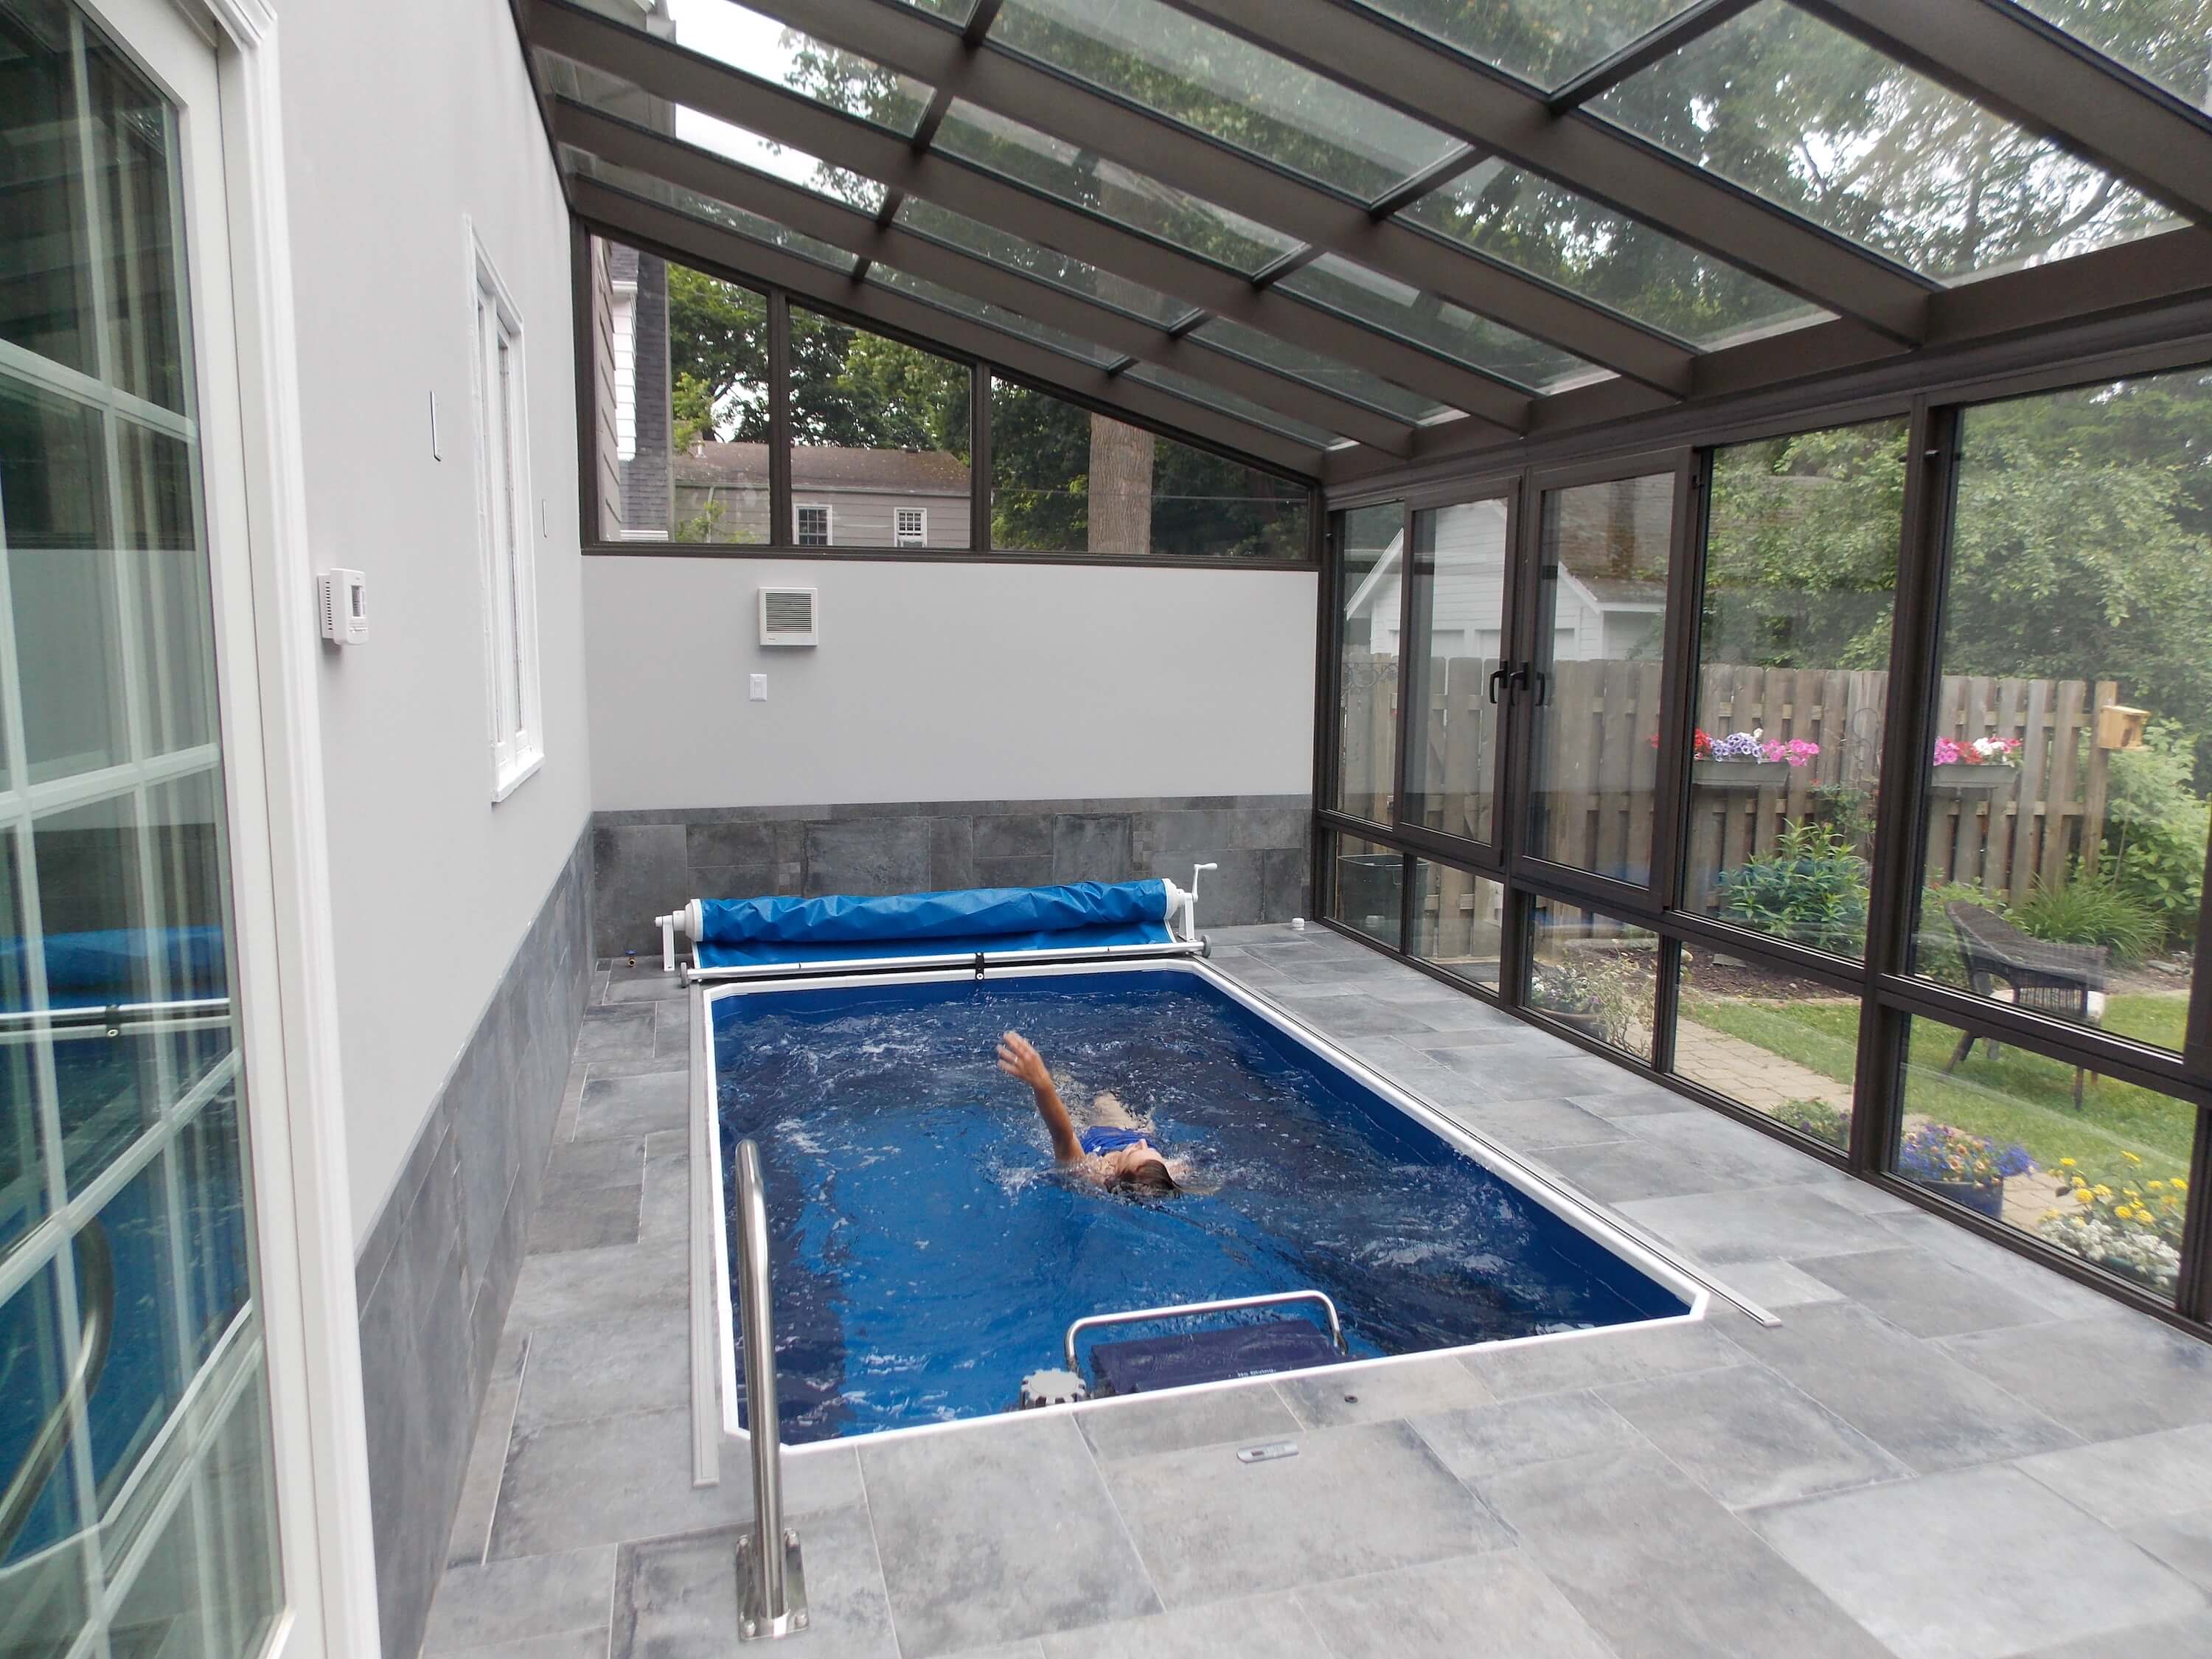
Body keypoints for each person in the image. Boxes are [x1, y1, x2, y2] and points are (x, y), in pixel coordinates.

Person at [996, 1030, 1183, 1194]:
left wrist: (1042, 1083)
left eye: (1135, 1151)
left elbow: (1064, 1136)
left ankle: (1060, 1076)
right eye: (1150, 1150)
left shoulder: (1090, 1171)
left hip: (1084, 1133)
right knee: (1104, 1099)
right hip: (1122, 1127)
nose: (1142, 1143)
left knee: (1063, 1085)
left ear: (1116, 1173)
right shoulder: (1165, 1172)